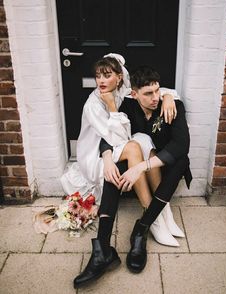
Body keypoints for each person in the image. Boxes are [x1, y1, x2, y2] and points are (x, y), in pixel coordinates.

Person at [73, 65, 192, 288]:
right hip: (137, 165)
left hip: (164, 168)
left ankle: (145, 224)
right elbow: (109, 134)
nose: (155, 98)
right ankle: (104, 248)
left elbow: (181, 146)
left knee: (180, 160)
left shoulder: (172, 105)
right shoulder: (126, 105)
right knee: (120, 159)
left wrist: (168, 96)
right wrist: (107, 157)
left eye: (158, 91)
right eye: (148, 93)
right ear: (134, 93)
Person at [61, 53, 180, 237]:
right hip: (95, 156)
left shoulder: (120, 90)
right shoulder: (93, 105)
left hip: (115, 143)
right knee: (134, 147)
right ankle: (152, 217)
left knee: (144, 140)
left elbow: (148, 91)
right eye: (98, 76)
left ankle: (164, 210)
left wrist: (169, 97)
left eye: (107, 75)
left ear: (119, 78)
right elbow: (117, 138)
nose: (101, 80)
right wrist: (111, 107)